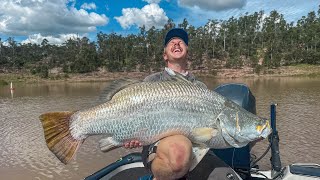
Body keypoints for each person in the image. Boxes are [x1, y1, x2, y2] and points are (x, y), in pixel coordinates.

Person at [125, 28, 241, 180]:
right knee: (178, 154)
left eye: (181, 42)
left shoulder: (199, 87)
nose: (177, 43)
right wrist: (132, 134)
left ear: (187, 52)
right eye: (171, 42)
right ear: (165, 54)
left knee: (228, 177)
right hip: (160, 148)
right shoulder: (151, 82)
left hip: (196, 147)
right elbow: (134, 115)